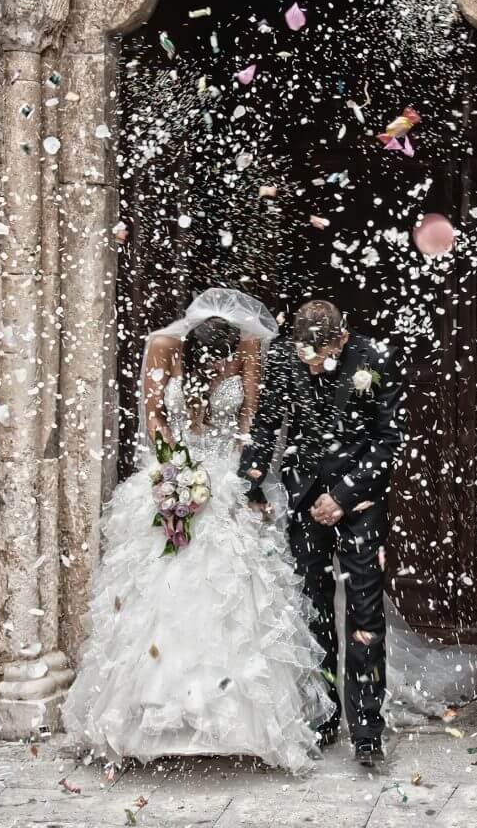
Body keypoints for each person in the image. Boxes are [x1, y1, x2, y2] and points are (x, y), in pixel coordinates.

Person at [62, 288, 334, 774]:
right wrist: (177, 475)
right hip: (181, 473)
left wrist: (238, 478)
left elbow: (251, 425)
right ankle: (157, 716)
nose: (217, 368)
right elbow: (157, 423)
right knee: (162, 596)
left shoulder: (248, 356)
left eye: (223, 358)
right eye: (211, 359)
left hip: (226, 476)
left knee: (233, 597)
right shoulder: (166, 349)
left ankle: (236, 722)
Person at [239, 300, 403, 767]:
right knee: (313, 610)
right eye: (305, 355)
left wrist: (346, 495)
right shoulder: (287, 359)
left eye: (321, 354)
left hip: (360, 506)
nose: (311, 365)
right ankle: (324, 715)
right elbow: (268, 422)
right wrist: (252, 484)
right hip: (305, 501)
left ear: (342, 339)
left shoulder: (375, 359)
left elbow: (388, 440)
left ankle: (367, 731)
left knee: (365, 617)